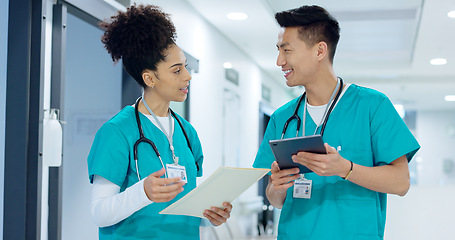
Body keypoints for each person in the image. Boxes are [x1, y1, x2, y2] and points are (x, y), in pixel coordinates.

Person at [253, 5, 420, 239]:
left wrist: (345, 169)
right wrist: (277, 186)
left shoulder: (372, 106)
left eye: (287, 50)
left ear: (320, 50)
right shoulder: (282, 118)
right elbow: (275, 199)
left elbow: (401, 183)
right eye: (278, 50)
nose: (280, 60)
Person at [87, 4, 231, 239]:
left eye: (185, 66)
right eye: (176, 70)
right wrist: (142, 192)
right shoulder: (117, 131)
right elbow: (99, 213)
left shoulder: (187, 133)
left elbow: (186, 210)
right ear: (149, 78)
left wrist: (210, 216)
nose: (187, 76)